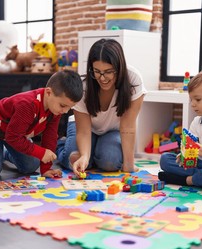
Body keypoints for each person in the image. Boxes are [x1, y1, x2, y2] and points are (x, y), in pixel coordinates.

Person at [56, 39, 146, 175]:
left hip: (113, 131)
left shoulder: (133, 80)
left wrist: (129, 166)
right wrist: (84, 157)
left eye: (109, 71)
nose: (102, 78)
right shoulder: (84, 85)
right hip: (84, 129)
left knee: (110, 161)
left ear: (119, 67)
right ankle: (61, 145)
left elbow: (127, 127)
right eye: (97, 71)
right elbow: (84, 131)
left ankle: (94, 152)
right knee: (76, 161)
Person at [0, 70, 83, 178]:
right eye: (63, 106)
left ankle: (3, 153)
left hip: (13, 133)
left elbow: (50, 137)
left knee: (31, 165)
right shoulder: (28, 105)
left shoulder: (55, 109)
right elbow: (13, 137)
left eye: (69, 107)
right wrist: (41, 152)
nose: (65, 111)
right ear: (48, 93)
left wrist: (46, 169)